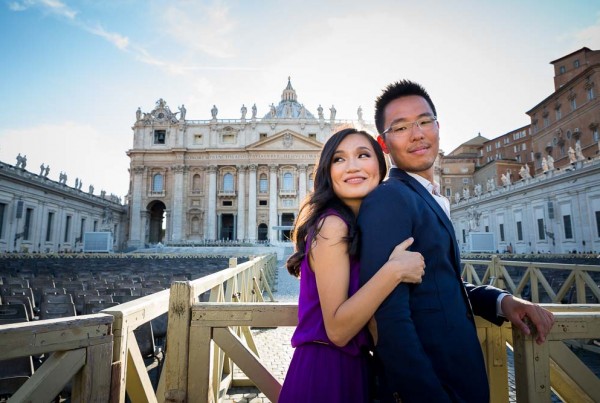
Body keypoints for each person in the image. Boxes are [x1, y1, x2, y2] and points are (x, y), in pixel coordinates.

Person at [358, 80, 555, 403]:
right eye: (401, 127)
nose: (417, 133)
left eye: (424, 121)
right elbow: (388, 317)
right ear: (384, 143)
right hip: (435, 389)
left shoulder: (425, 197)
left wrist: (502, 301)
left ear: (438, 126)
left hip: (458, 381)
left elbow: (439, 284)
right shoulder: (391, 199)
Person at [279, 128, 426, 402]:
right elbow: (337, 330)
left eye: (363, 155)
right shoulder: (333, 225)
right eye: (339, 159)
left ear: (380, 165)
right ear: (327, 171)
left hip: (352, 367)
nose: (352, 166)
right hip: (327, 372)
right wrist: (394, 271)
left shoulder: (357, 226)